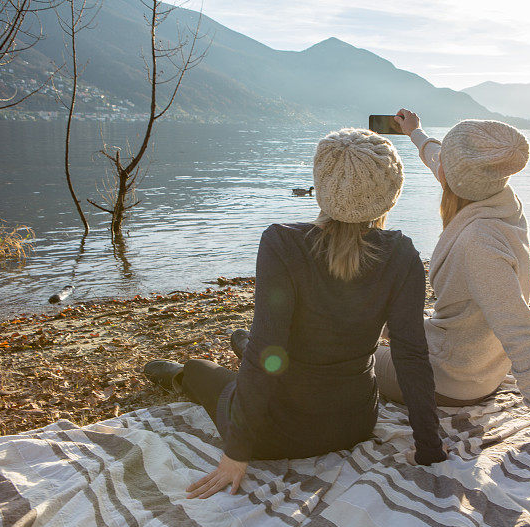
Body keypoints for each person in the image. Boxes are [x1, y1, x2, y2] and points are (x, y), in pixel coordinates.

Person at [143, 128, 446, 499]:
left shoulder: (283, 243)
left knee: (200, 369)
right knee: (259, 347)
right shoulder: (402, 254)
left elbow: (267, 350)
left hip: (276, 433)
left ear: (322, 185)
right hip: (354, 423)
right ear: (391, 195)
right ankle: (242, 344)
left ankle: (180, 377)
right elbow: (410, 354)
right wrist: (430, 446)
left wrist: (237, 454)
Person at [374, 109, 530, 451]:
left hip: (451, 380)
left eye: (445, 162)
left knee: (353, 352)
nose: (437, 163)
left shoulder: (479, 243)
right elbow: (442, 160)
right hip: (477, 365)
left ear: (453, 176)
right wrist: (416, 133)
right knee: (386, 327)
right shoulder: (500, 198)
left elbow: (518, 329)